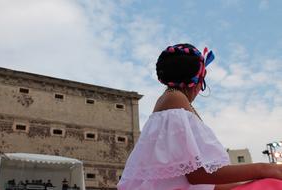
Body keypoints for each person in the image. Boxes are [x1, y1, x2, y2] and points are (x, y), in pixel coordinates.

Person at [117, 43, 282, 190]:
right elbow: (197, 175)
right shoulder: (175, 99)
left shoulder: (171, 100)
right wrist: (265, 169)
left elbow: (201, 181)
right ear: (196, 81)